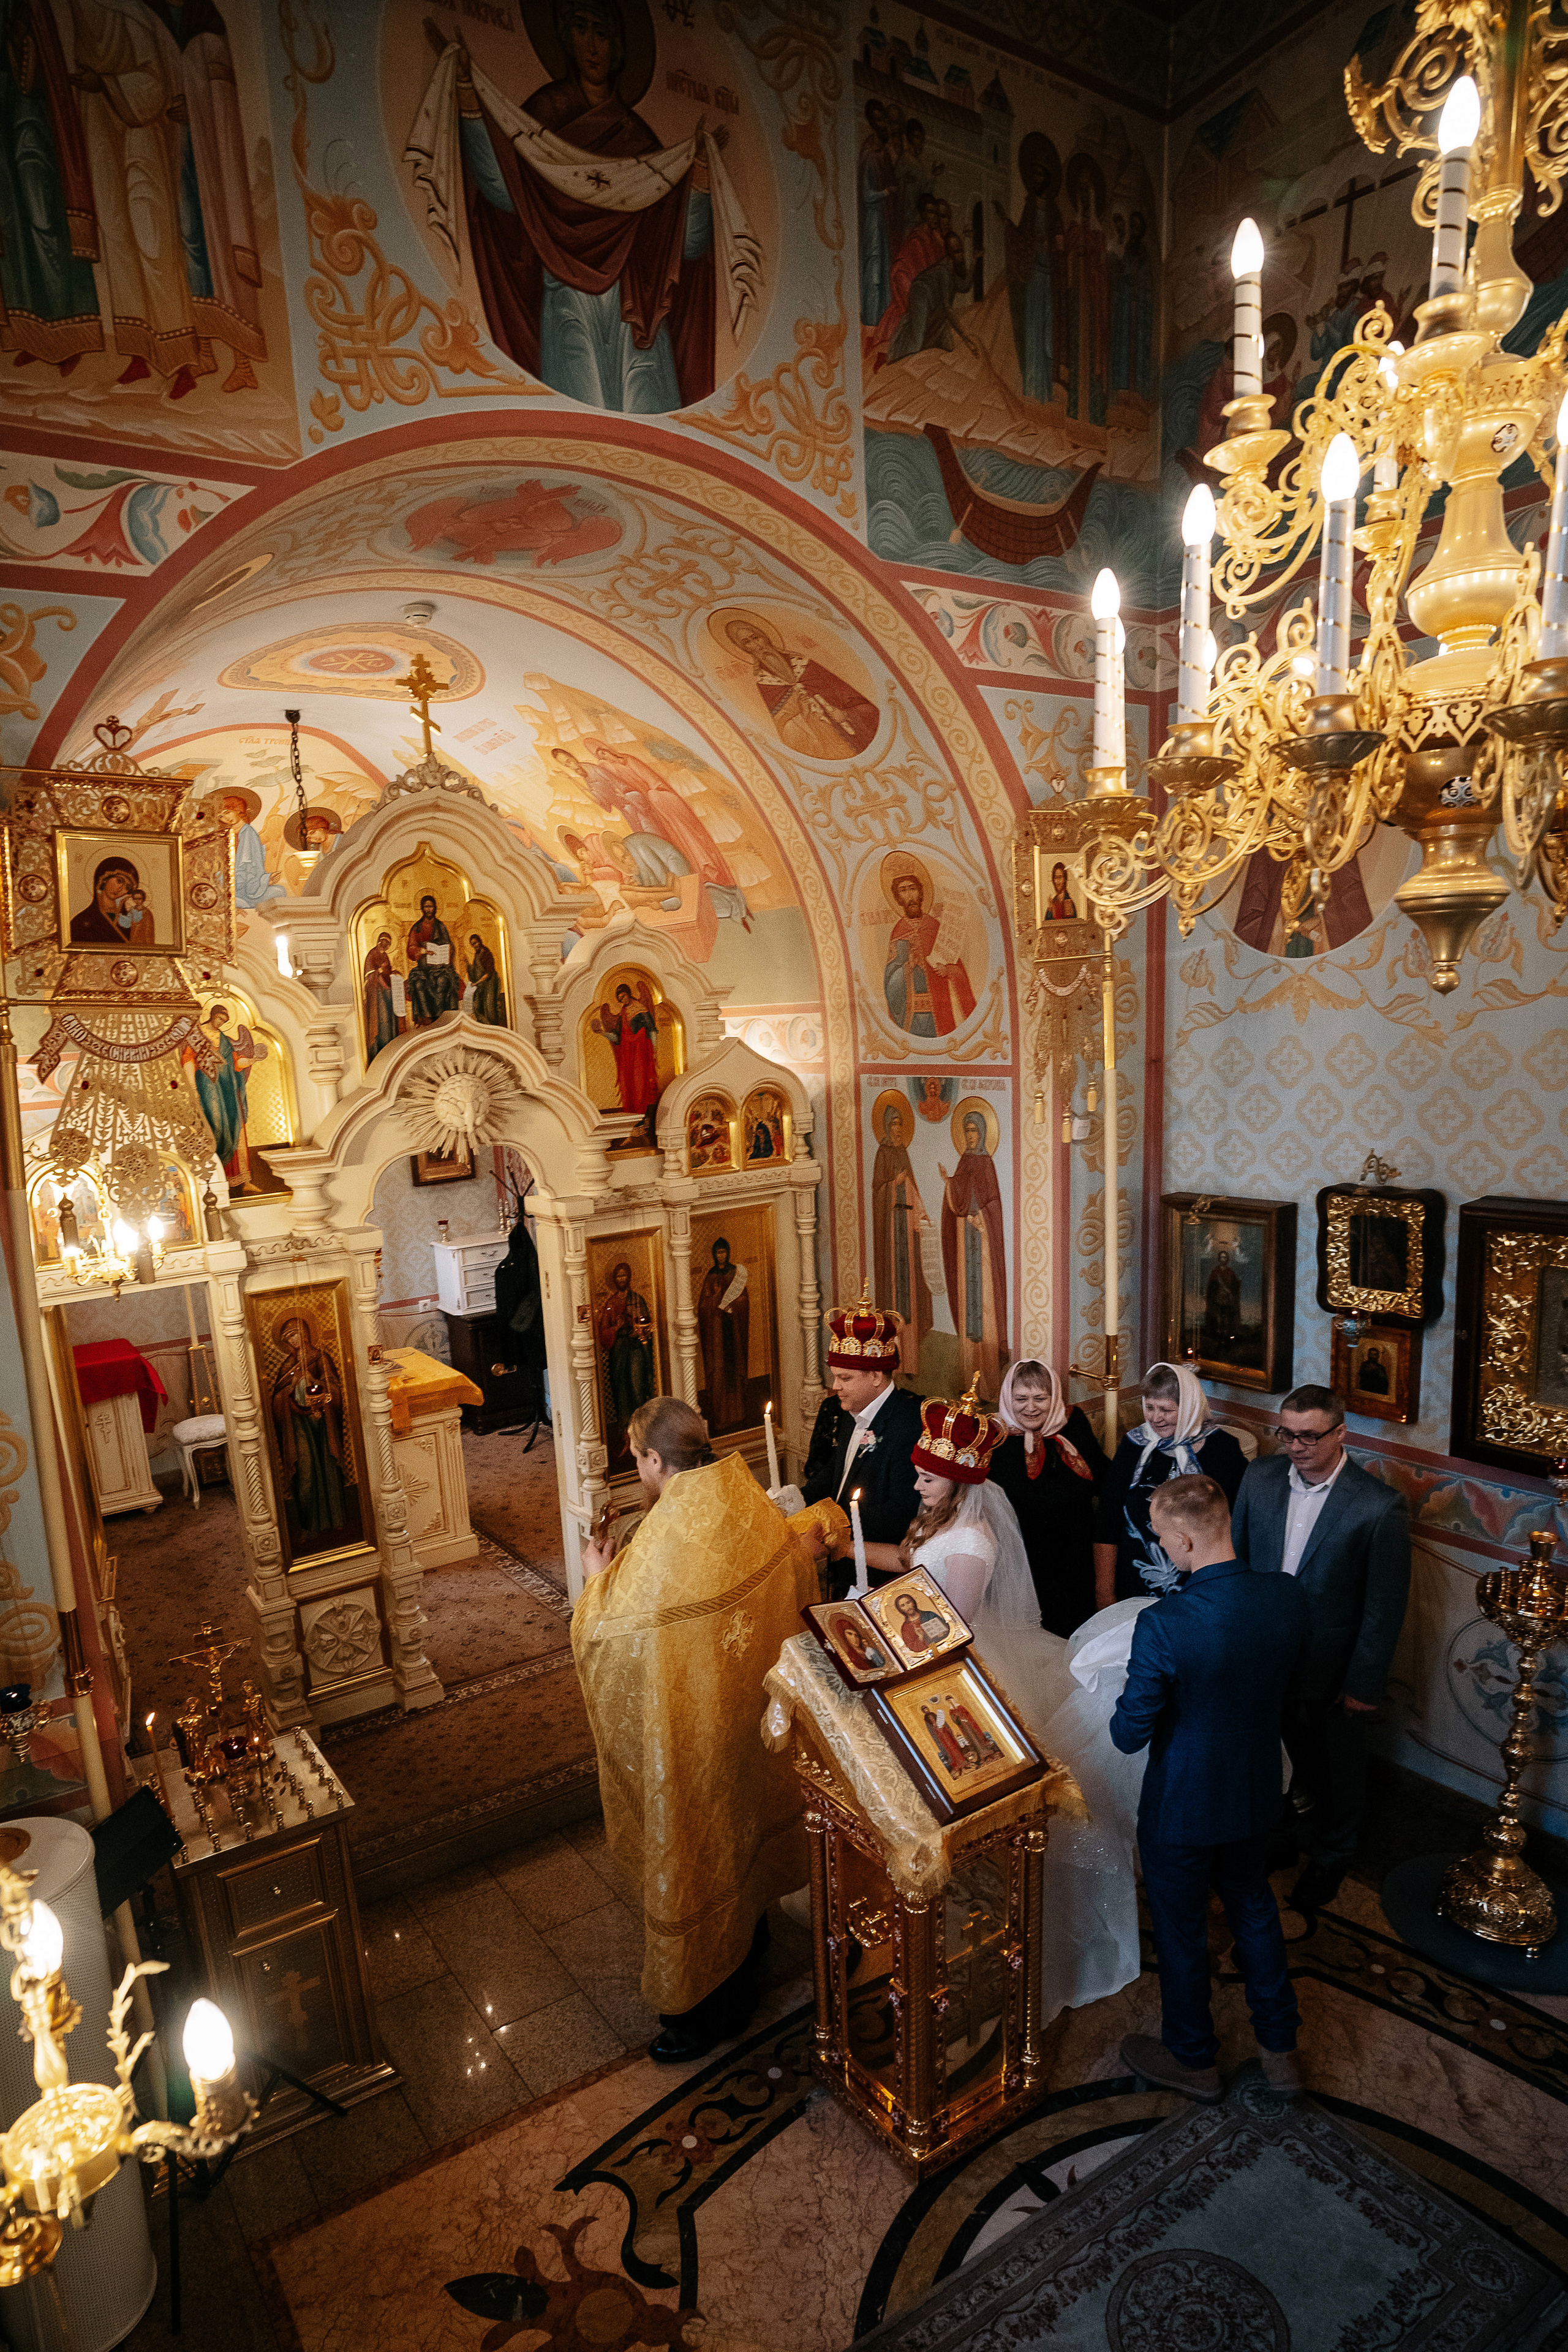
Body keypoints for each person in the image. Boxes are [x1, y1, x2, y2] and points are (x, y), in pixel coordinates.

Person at [573, 1398, 825, 2061]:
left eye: (636, 1457)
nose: (637, 1469)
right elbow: (797, 1566)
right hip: (750, 1722)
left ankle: (705, 2011)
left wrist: (596, 1582)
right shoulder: (742, 1498)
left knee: (700, 1856)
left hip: (693, 1743)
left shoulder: (662, 1544)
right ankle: (756, 1939)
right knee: (741, 1835)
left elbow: (611, 1637)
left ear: (657, 1459)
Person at [1109, 1474, 1310, 2101]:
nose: (1164, 1549)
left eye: (1166, 1539)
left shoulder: (1164, 1624)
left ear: (1189, 1539)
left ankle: (1194, 2060)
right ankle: (1281, 2056)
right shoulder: (1286, 1597)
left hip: (1182, 1806)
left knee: (1180, 1930)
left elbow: (1127, 1734)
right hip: (1254, 1790)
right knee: (1254, 1909)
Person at [1231, 1385, 1411, 1914]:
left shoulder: (1377, 1506)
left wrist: (1362, 1686)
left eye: (1309, 1436)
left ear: (1340, 1434)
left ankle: (1334, 1854)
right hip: (1264, 1656)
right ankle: (1286, 1836)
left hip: (1332, 1669)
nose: (1296, 1446)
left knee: (1338, 1767)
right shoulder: (1259, 1478)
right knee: (1272, 1756)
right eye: (1286, 1433)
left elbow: (1383, 1608)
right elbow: (1237, 1563)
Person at [892, 1381, 1070, 1730]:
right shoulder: (945, 1518)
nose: (918, 1486)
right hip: (921, 1636)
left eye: (927, 1479)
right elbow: (909, 1561)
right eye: (919, 1477)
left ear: (957, 1483)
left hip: (950, 1653)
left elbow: (955, 1627)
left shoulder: (971, 1544)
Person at [1094, 1362, 1247, 1608]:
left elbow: (1237, 1527)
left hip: (1199, 1589)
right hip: (1133, 1583)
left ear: (1188, 1407)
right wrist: (1104, 1591)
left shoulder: (1223, 1449)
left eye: (1166, 1410)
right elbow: (1107, 1521)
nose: (1156, 1418)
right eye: (1150, 1407)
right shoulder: (1134, 1445)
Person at [800, 1286, 923, 1591]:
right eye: (834, 1375)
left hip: (883, 1574)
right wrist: (795, 1501)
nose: (835, 1386)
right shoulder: (849, 1410)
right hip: (845, 1562)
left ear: (876, 1377)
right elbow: (837, 1473)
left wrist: (831, 1526)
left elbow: (900, 1512)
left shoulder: (907, 1427)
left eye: (845, 1378)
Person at [989, 1360, 1106, 1636]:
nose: (1030, 1408)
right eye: (1021, 1399)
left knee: (1074, 1632)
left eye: (1041, 1398)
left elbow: (1101, 1476)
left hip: (1074, 1554)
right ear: (1008, 1397)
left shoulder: (1072, 1423)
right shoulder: (994, 1437)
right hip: (1021, 1557)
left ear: (1054, 1398)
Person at [695, 1237, 749, 1433]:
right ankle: (721, 1417)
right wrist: (717, 1299)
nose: (721, 1256)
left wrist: (734, 1306)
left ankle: (738, 1414)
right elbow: (702, 1307)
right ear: (714, 1254)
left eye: (724, 1252)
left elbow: (743, 1299)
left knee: (734, 1372)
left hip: (732, 1331)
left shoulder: (735, 1273)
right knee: (719, 1373)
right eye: (718, 1253)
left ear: (728, 1253)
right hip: (717, 1335)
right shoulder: (711, 1276)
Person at [405, 894, 461, 1025]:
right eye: (426, 907)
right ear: (422, 909)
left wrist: (446, 952)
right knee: (419, 983)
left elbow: (449, 945)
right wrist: (424, 951)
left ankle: (442, 1019)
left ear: (435, 908)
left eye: (431, 906)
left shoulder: (440, 926)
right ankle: (427, 1019)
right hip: (424, 968)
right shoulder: (417, 928)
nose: (429, 909)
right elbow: (411, 948)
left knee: (443, 981)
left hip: (441, 967)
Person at [362, 933, 399, 1063]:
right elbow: (369, 973)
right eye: (383, 943)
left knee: (388, 1019)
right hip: (376, 992)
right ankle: (380, 1048)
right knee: (381, 1018)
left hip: (385, 990)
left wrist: (392, 972)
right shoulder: (372, 954)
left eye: (387, 944)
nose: (385, 946)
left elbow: (387, 971)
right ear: (379, 942)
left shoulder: (385, 955)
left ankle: (390, 1043)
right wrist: (380, 971)